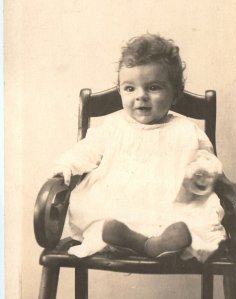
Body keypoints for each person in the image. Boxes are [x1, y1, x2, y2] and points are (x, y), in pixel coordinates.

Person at [51, 33, 226, 262]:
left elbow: (205, 158)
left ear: (176, 94)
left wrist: (200, 172)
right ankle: (136, 241)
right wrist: (66, 166)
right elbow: (86, 150)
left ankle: (150, 243)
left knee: (191, 219)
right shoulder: (113, 126)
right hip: (121, 204)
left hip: (168, 206)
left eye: (153, 87)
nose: (141, 96)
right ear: (120, 91)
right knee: (104, 219)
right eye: (130, 88)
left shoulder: (186, 130)